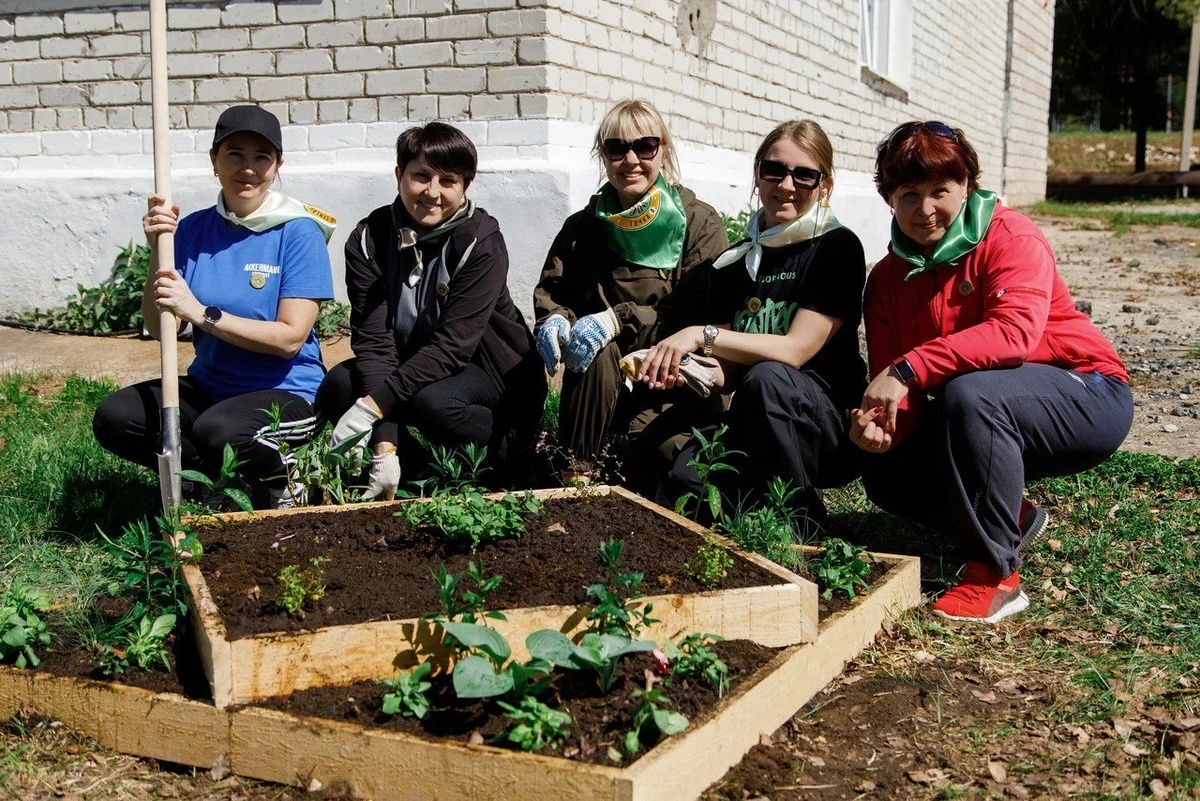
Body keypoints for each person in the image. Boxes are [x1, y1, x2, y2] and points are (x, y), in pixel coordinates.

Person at [852, 120, 1133, 624]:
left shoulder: (1010, 234)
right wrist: (882, 429)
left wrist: (910, 366)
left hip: (1088, 392)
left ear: (967, 186)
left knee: (971, 393)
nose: (925, 209)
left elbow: (1014, 334)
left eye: (941, 190)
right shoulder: (887, 279)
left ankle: (996, 575)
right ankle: (1012, 516)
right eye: (909, 194)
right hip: (986, 408)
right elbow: (904, 400)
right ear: (888, 198)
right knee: (886, 471)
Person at [93, 105, 336, 508]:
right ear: (214, 161)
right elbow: (160, 327)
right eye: (234, 154)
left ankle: (288, 479)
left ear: (277, 165)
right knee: (116, 416)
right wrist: (158, 250)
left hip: (286, 392)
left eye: (262, 157)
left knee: (219, 431)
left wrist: (202, 314)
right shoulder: (192, 229)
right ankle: (209, 485)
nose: (248, 168)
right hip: (212, 387)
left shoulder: (298, 232)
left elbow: (290, 339)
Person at [638, 120, 868, 526]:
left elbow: (794, 351)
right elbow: (728, 369)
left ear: (825, 185)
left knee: (769, 377)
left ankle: (802, 522)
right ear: (758, 174)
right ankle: (756, 515)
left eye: (804, 175)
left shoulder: (836, 248)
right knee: (685, 479)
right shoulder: (737, 260)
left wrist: (700, 335)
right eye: (774, 170)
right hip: (754, 414)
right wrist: (685, 368)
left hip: (829, 428)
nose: (787, 185)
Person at [317, 122, 543, 499]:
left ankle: (517, 465)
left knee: (435, 403)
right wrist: (385, 447)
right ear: (399, 176)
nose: (432, 192)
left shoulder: (481, 242)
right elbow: (374, 342)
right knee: (340, 385)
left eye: (448, 180)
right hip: (416, 363)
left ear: (465, 186)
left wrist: (371, 409)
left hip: (492, 373)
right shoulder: (369, 239)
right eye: (421, 176)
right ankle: (412, 470)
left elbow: (452, 347)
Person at [533, 99, 728, 487]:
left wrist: (618, 319)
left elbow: (698, 311)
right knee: (594, 346)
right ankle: (575, 475)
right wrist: (555, 320)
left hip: (672, 375)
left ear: (663, 151)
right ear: (603, 155)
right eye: (617, 148)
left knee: (670, 471)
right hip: (599, 378)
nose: (631, 160)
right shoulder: (584, 227)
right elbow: (554, 292)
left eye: (645, 146)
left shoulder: (697, 222)